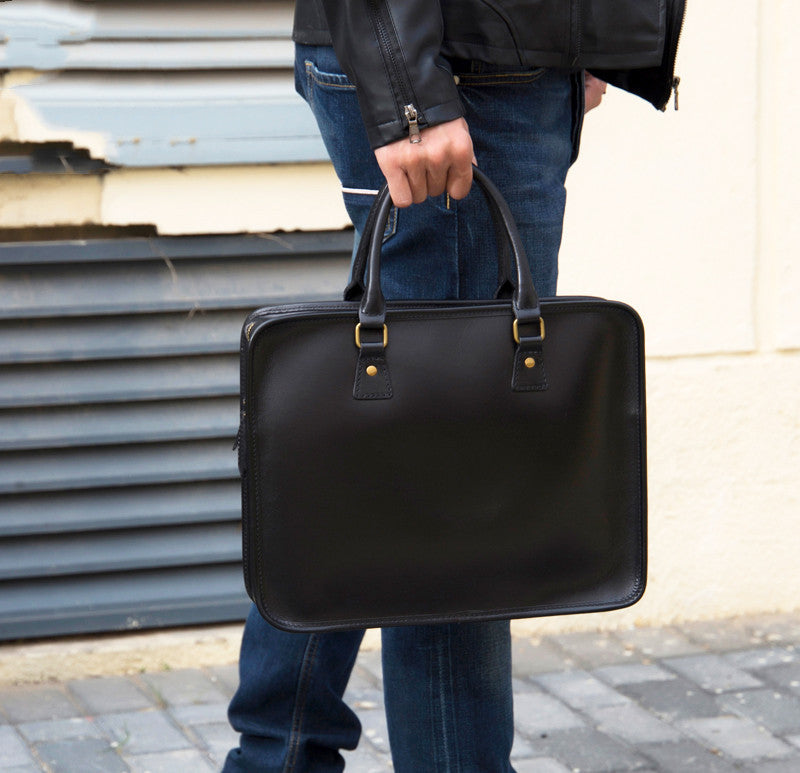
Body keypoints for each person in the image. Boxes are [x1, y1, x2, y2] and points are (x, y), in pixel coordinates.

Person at [223, 2, 683, 771]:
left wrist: (589, 37)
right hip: (459, 68)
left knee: (404, 442)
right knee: (460, 472)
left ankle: (279, 750)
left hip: (493, 56)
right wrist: (414, 97)